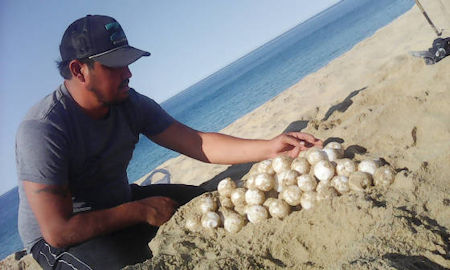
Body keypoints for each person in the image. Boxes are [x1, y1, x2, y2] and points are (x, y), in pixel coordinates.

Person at [15, 15, 322, 270]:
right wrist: (139, 211)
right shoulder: (43, 130)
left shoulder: (129, 103)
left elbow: (197, 142)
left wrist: (270, 146)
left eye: (128, 61)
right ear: (78, 70)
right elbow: (58, 230)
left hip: (120, 201)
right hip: (60, 237)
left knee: (208, 202)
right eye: (115, 65)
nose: (129, 73)